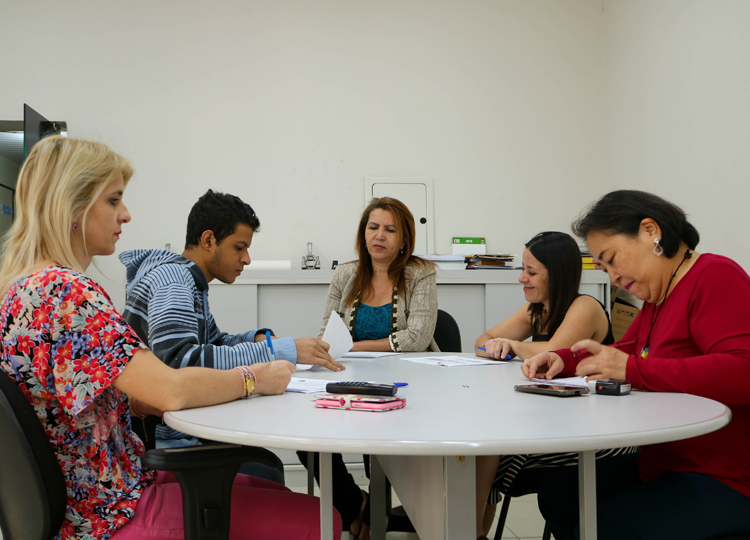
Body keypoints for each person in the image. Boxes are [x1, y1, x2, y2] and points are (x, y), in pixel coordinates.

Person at [0, 135, 341, 540]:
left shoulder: (24, 289)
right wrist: (253, 379)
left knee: (272, 489)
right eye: (113, 200)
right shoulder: (65, 292)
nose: (125, 215)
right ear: (71, 206)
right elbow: (173, 384)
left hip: (102, 491)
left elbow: (100, 395)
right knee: (323, 521)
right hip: (106, 513)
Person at [524, 190, 750, 540]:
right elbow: (629, 349)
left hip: (725, 477)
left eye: (612, 259)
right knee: (560, 494)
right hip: (666, 464)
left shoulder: (714, 276)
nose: (612, 276)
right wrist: (564, 358)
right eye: (603, 267)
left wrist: (633, 370)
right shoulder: (660, 296)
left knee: (606, 524)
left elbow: (743, 370)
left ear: (650, 231)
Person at [119, 189, 343, 457]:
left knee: (263, 457)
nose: (246, 259)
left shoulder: (189, 281)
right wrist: (280, 351)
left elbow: (214, 343)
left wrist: (259, 339)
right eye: (239, 247)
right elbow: (180, 362)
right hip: (169, 441)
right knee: (265, 464)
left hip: (185, 428)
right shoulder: (173, 281)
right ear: (208, 239)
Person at [473, 231, 633, 539]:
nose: (522, 278)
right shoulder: (537, 308)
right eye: (523, 269)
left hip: (596, 434)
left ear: (557, 275)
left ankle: (472, 531)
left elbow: (552, 353)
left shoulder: (585, 306)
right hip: (554, 420)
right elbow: (482, 342)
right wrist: (497, 346)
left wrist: (510, 345)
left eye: (532, 272)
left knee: (487, 449)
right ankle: (474, 530)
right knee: (483, 446)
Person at [300, 196, 439, 540]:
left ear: (404, 238)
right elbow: (327, 331)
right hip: (350, 377)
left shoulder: (420, 273)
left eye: (390, 230)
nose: (380, 235)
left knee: (388, 438)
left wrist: (355, 346)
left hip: (410, 381)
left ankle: (379, 512)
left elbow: (418, 337)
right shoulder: (346, 273)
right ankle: (355, 505)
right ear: (363, 233)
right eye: (373, 227)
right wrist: (330, 347)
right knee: (306, 436)